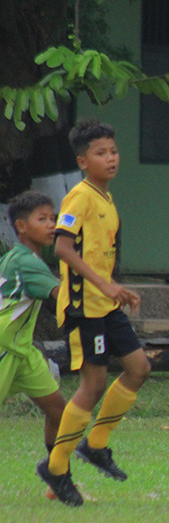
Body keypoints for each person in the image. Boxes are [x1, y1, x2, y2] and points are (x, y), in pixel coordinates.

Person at [38, 119, 152, 507]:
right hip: (84, 308)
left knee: (139, 368)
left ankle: (96, 444)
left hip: (106, 305)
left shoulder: (106, 198)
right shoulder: (80, 197)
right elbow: (63, 249)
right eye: (101, 154)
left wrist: (115, 287)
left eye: (114, 152)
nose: (111, 159)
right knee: (93, 385)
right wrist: (105, 285)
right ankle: (56, 467)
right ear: (83, 161)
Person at [0, 191, 68, 490]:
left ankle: (57, 476)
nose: (51, 224)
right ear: (22, 226)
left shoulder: (20, 258)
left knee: (58, 411)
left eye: (52, 218)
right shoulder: (28, 263)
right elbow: (62, 298)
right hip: (4, 348)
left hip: (23, 352)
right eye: (42, 219)